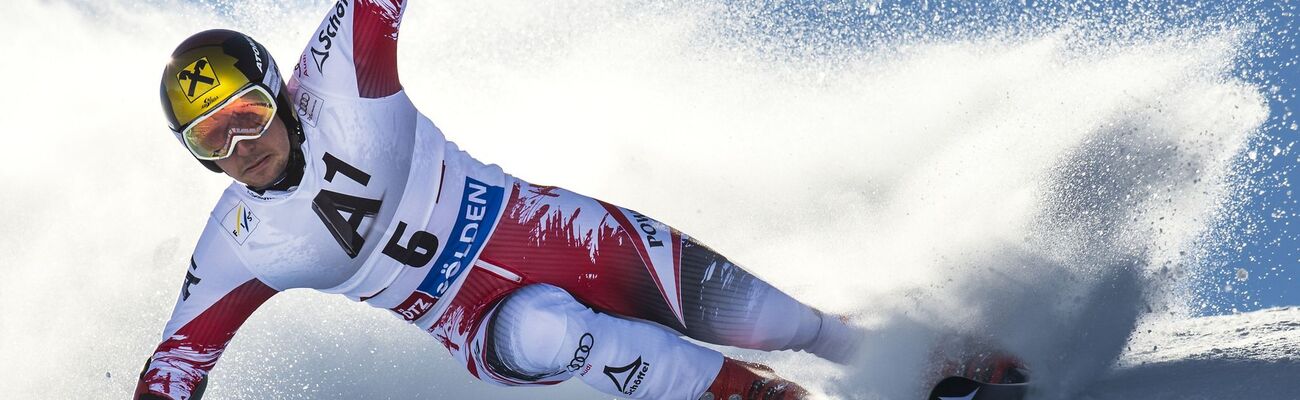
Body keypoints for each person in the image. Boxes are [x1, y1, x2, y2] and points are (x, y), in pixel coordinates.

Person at [135, 1, 866, 399]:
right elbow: (174, 367)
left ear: (282, 94)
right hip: (479, 322)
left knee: (776, 318)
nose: (242, 151)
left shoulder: (337, 78)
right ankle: (750, 398)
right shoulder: (237, 242)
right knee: (551, 332)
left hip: (549, 230)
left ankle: (892, 354)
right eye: (211, 142)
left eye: (249, 117)